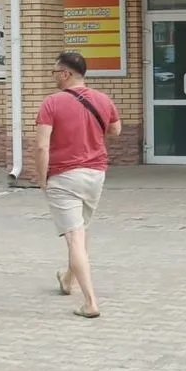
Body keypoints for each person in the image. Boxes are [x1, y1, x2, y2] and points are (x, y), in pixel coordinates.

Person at [35, 51, 121, 319]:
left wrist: (41, 179)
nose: (53, 77)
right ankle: (68, 279)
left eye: (54, 72)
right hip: (95, 175)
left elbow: (41, 146)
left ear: (65, 73)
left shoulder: (52, 103)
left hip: (64, 176)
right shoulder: (103, 99)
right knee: (81, 231)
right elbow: (116, 130)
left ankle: (90, 302)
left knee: (74, 238)